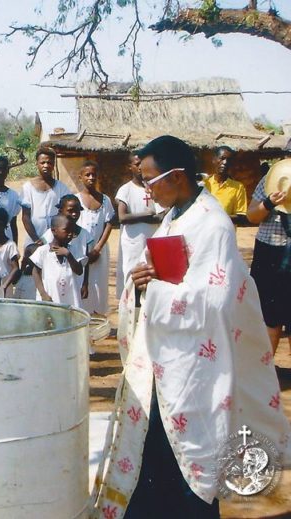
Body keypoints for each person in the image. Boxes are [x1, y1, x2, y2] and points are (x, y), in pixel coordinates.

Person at [92, 135, 291, 519]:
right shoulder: (174, 215)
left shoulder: (212, 224)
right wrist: (144, 280)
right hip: (165, 360)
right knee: (155, 454)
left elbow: (213, 301)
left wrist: (158, 291)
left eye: (151, 182)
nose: (147, 192)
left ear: (177, 176)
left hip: (195, 368)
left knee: (189, 461)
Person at [246, 160, 290, 355]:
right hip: (269, 252)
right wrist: (269, 203)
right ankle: (266, 375)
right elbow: (252, 216)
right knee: (268, 319)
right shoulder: (271, 178)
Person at [115, 153, 164, 299]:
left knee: (151, 273)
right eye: (136, 164)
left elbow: (161, 216)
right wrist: (148, 215)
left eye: (142, 164)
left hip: (152, 238)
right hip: (133, 242)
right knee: (131, 274)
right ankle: (131, 307)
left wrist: (146, 217)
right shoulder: (126, 190)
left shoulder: (152, 188)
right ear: (129, 167)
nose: (140, 167)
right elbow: (122, 217)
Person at [75, 161, 114, 316]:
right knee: (81, 284)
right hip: (80, 251)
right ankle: (82, 319)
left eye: (94, 175)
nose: (91, 178)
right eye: (87, 175)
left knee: (99, 284)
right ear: (80, 177)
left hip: (99, 251)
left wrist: (98, 248)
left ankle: (98, 318)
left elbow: (109, 223)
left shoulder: (105, 200)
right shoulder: (75, 199)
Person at [20, 146, 72, 246]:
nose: (46, 165)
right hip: (33, 240)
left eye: (49, 163)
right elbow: (25, 217)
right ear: (37, 164)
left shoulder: (62, 188)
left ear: (53, 165)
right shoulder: (27, 188)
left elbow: (66, 214)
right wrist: (36, 239)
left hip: (56, 241)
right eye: (42, 162)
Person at [31, 214, 84, 306]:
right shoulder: (43, 251)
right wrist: (43, 294)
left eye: (72, 231)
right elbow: (35, 272)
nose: (70, 234)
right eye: (66, 230)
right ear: (54, 231)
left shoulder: (74, 250)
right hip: (50, 298)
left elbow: (79, 271)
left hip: (70, 298)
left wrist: (68, 255)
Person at [204, 146, 248, 225]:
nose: (225, 162)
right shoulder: (204, 184)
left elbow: (241, 217)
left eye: (229, 160)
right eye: (222, 158)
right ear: (214, 160)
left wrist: (219, 217)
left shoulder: (238, 187)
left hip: (225, 234)